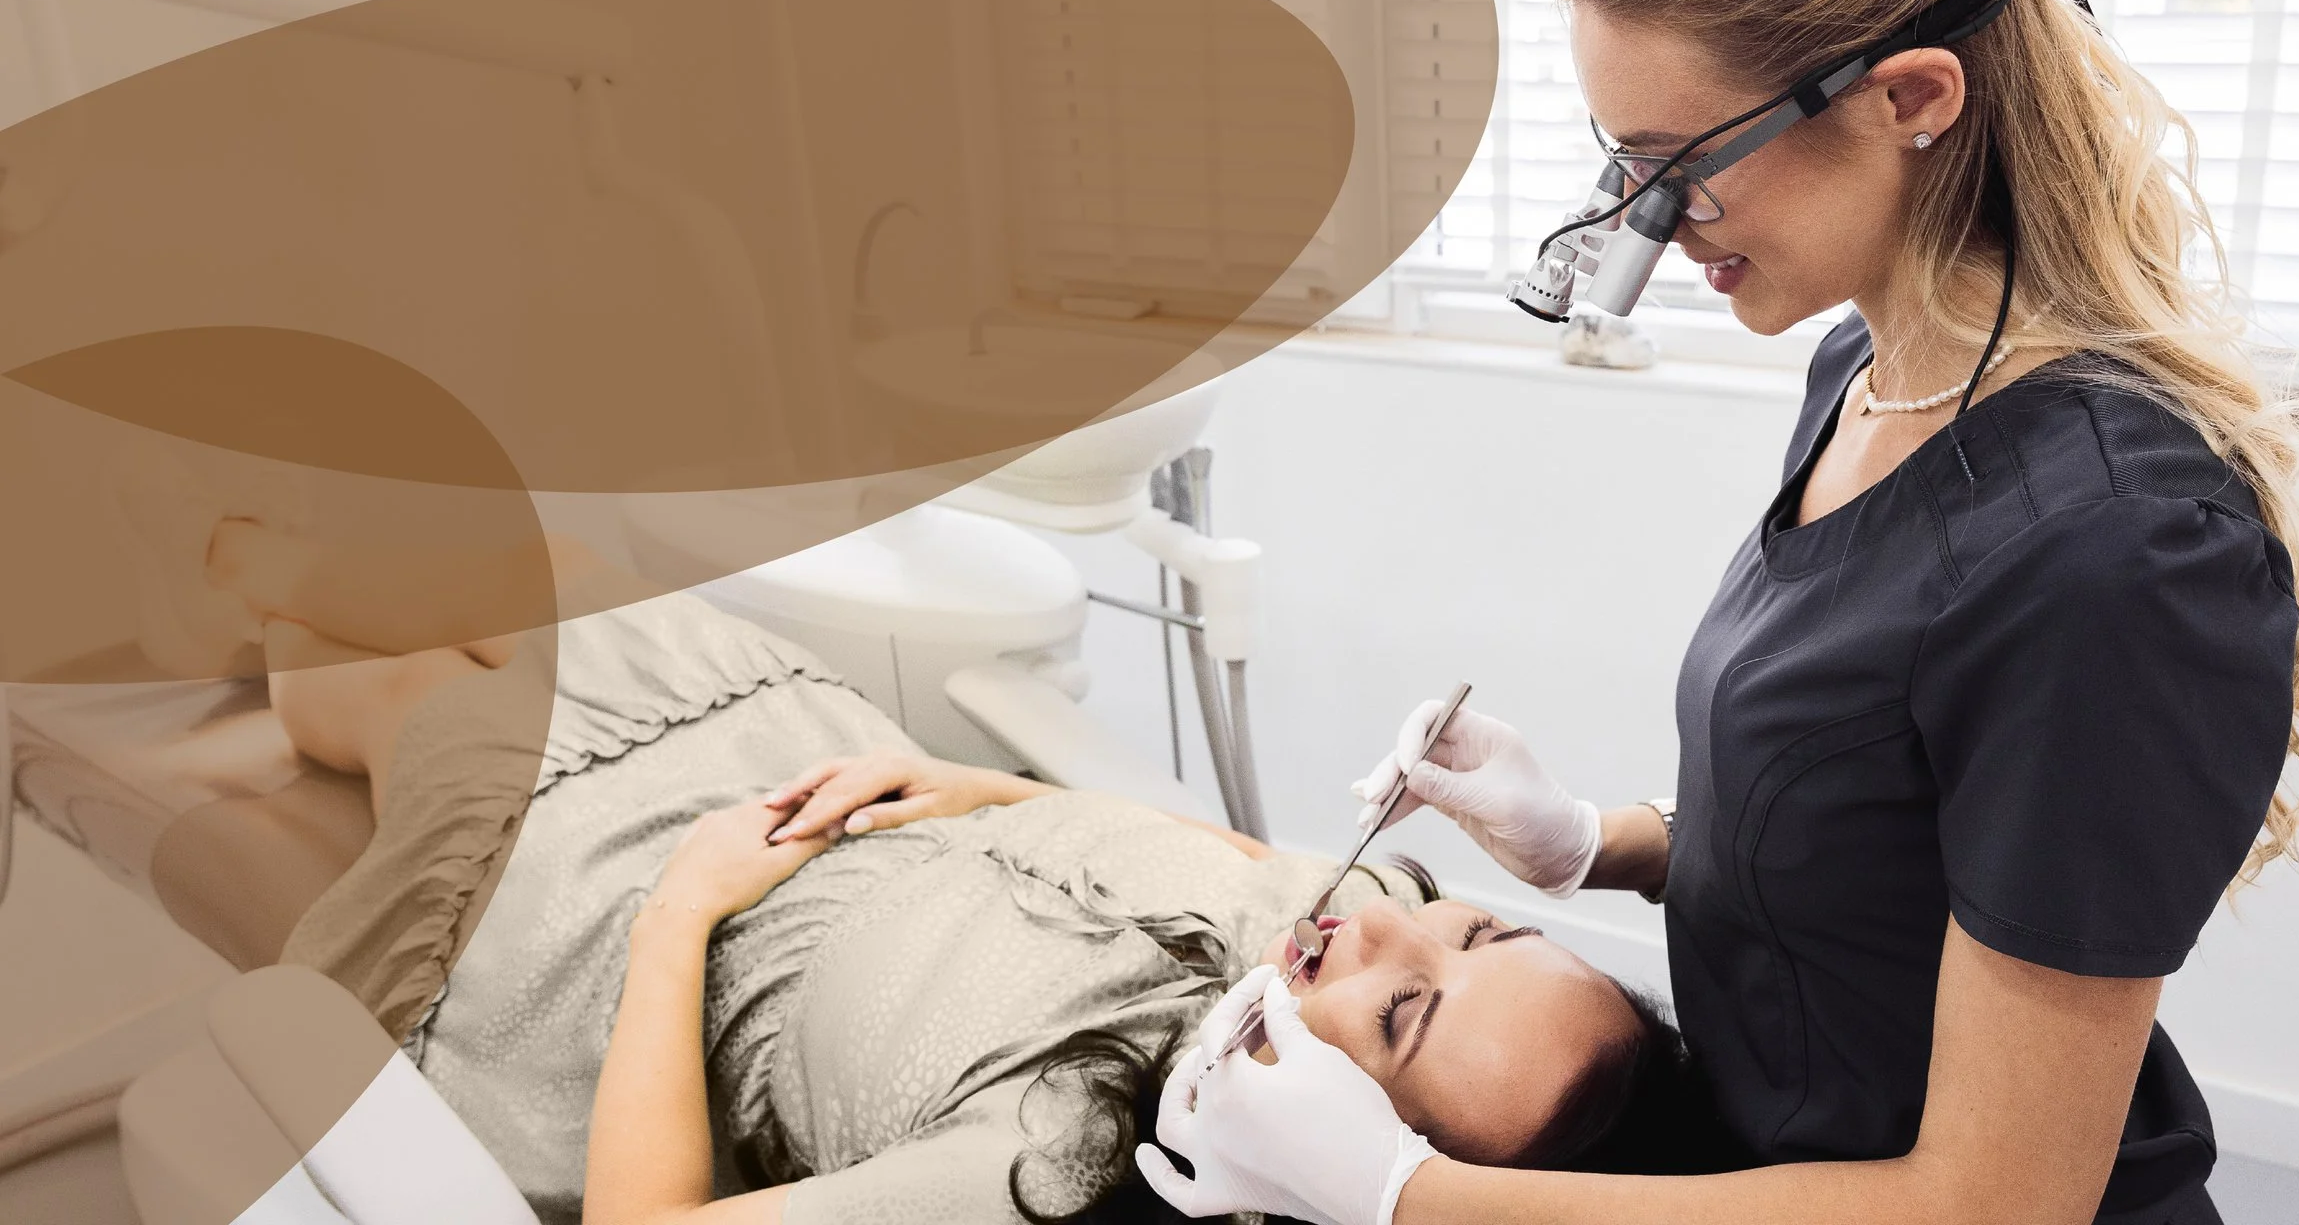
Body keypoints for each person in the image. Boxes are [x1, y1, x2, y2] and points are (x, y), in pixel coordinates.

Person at [1139, 0, 2299, 1224]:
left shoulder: (2112, 553)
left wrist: (1396, 1192)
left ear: (1910, 99)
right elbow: (1878, 833)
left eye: (1682, 173)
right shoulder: (1866, 370)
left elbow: (1998, 1203)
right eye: (1622, 165)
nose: (1640, 234)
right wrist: (1589, 842)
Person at [184, 521, 1742, 1225]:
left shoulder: (1046, 1159)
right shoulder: (1338, 935)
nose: (1396, 941)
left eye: (1412, 1017)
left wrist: (684, 911)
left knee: (421, 697)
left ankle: (255, 617)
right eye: (1468, 930)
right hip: (822, 764)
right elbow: (1225, 866)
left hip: (628, 883)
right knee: (572, 574)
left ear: (1341, 1147)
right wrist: (973, 784)